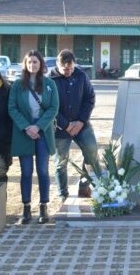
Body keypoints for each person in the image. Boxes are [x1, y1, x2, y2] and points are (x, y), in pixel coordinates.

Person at [9, 50, 59, 225]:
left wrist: (38, 126)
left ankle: (44, 206)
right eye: (29, 62)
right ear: (25, 64)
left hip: (43, 131)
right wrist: (26, 127)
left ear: (41, 64)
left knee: (43, 171)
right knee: (26, 171)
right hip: (24, 132)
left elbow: (53, 108)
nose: (32, 65)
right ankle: (26, 208)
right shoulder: (17, 85)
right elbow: (12, 108)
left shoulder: (49, 84)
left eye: (35, 62)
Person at [50, 49, 101, 200]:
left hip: (81, 125)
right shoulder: (50, 80)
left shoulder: (81, 75)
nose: (69, 71)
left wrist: (80, 122)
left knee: (92, 153)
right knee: (61, 163)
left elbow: (90, 98)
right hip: (60, 129)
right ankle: (62, 194)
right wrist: (66, 125)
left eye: (71, 68)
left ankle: (84, 186)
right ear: (58, 65)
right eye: (65, 69)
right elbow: (49, 106)